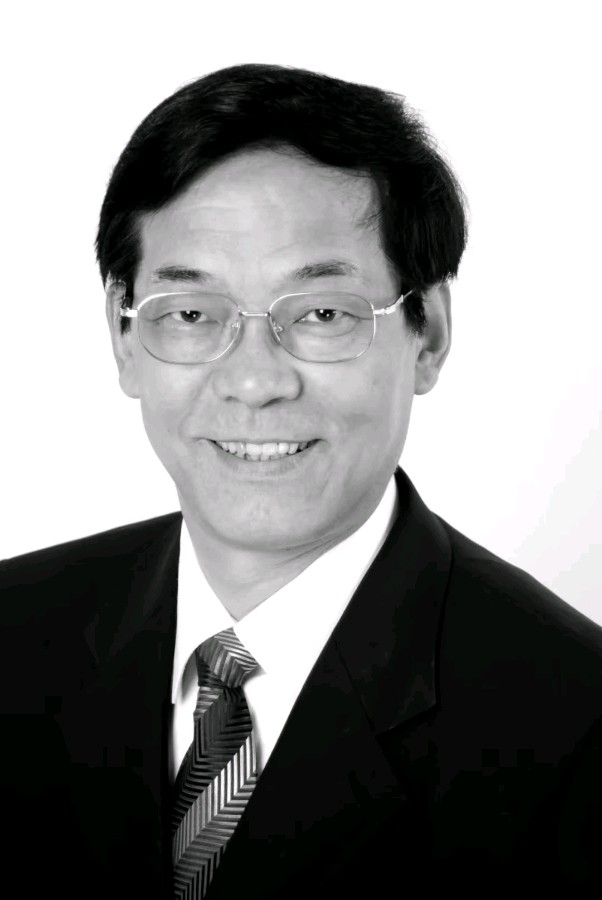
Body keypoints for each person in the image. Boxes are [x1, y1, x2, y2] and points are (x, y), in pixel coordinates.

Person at [1, 63, 601, 899]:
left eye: (322, 314)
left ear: (428, 333)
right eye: (190, 314)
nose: (254, 381)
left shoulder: (575, 728)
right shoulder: (14, 632)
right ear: (123, 334)